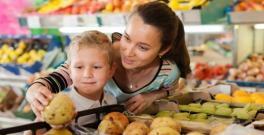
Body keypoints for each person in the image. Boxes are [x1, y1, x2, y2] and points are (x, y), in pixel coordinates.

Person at [26, 1, 191, 116]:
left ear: (164, 49)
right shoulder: (103, 49)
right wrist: (36, 90)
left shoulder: (168, 72)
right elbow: (65, 73)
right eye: (127, 38)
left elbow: (170, 88)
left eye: (142, 47)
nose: (128, 52)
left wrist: (152, 96)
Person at [23, 30, 116, 135]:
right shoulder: (58, 105)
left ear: (111, 70)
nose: (87, 74)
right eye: (79, 67)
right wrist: (44, 120)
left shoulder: (112, 102)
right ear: (69, 71)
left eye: (96, 67)